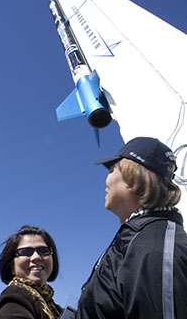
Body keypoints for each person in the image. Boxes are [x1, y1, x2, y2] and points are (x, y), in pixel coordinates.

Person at [76, 137, 187, 319]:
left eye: (112, 171)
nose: (106, 181)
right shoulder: (137, 240)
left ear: (133, 178)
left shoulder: (155, 249)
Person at [0, 225, 62, 319]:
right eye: (25, 252)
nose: (36, 257)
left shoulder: (54, 308)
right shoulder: (14, 299)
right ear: (11, 266)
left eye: (43, 251)